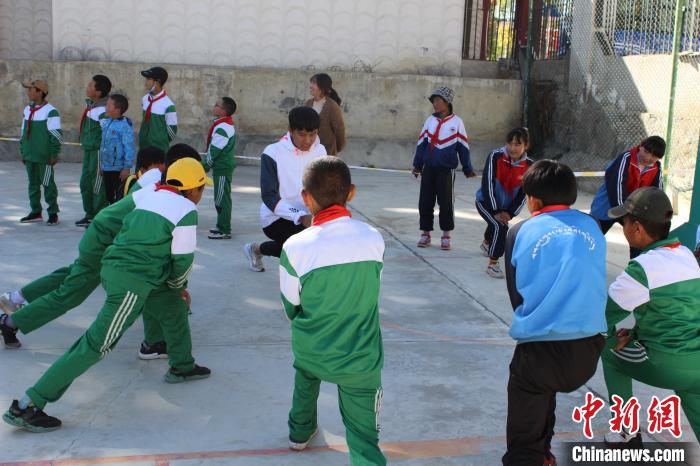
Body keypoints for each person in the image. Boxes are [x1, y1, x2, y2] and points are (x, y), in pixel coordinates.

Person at [2, 157, 211, 433]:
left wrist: (172, 288)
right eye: (201, 189)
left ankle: (182, 365)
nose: (201, 194)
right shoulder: (186, 210)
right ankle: (29, 405)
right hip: (131, 281)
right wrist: (179, 285)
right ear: (193, 189)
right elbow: (182, 261)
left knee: (171, 304)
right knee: (94, 345)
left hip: (119, 265)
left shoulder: (150, 193)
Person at [0, 147, 165, 349]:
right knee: (70, 294)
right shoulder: (157, 180)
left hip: (100, 238)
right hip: (105, 243)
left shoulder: (145, 178)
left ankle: (15, 297)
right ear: (159, 165)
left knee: (71, 275)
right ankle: (10, 323)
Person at [281, 156, 386, 465]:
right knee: (364, 436)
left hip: (313, 350)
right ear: (351, 193)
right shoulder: (373, 238)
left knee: (305, 374)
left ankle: (299, 433)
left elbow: (291, 305)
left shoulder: (295, 246)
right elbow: (371, 288)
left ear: (305, 198)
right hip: (359, 358)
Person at [502, 160, 607, 465]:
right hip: (588, 349)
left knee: (529, 393)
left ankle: (531, 454)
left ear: (532, 200)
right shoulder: (593, 225)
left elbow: (516, 293)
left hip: (541, 352)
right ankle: (544, 453)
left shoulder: (520, 230)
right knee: (542, 388)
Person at [601, 187, 700, 446]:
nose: (622, 226)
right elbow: (678, 312)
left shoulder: (641, 269)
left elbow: (603, 318)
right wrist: (634, 333)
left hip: (665, 363)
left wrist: (613, 338)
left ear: (637, 228)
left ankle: (626, 431)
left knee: (608, 352)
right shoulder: (687, 256)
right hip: (697, 362)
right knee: (692, 388)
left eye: (624, 221)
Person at [243, 107, 326, 272]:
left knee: (312, 247)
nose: (308, 140)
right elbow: (269, 196)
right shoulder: (273, 153)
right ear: (290, 130)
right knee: (301, 250)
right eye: (302, 134)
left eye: (313, 134)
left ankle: (256, 249)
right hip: (275, 218)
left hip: (310, 215)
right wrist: (301, 216)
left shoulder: (321, 150)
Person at [412, 86, 475, 251]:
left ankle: (446, 235)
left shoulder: (457, 123)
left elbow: (463, 147)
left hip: (446, 170)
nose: (435, 103)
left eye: (438, 100)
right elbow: (421, 144)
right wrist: (418, 165)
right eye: (434, 100)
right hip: (429, 169)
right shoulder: (429, 121)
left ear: (447, 102)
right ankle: (425, 233)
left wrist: (467, 168)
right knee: (425, 202)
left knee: (446, 203)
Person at [590, 136, 665, 258]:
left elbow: (657, 193)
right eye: (646, 152)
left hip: (632, 210)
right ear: (640, 146)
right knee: (591, 237)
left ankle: (636, 270)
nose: (648, 158)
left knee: (639, 242)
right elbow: (616, 186)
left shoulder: (656, 169)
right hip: (607, 206)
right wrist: (626, 210)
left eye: (654, 156)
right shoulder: (626, 158)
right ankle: (581, 263)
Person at [475, 127, 533, 279]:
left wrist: (510, 212)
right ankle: (493, 264)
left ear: (526, 146)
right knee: (500, 226)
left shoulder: (530, 166)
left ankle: (487, 242)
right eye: (510, 143)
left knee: (496, 224)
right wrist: (495, 210)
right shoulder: (495, 156)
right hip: (485, 202)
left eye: (517, 144)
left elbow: (523, 193)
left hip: (506, 208)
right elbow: (487, 184)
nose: (512, 148)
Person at [18, 79, 63, 226]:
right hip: (30, 155)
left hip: (44, 157)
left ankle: (53, 213)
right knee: (33, 184)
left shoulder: (51, 111)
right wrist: (23, 151)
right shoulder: (27, 109)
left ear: (40, 92)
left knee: (48, 185)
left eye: (31, 89)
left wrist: (53, 154)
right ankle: (36, 212)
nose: (28, 92)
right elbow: (23, 132)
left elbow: (55, 135)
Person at [76, 74, 111, 227]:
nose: (87, 87)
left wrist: (105, 157)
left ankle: (99, 216)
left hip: (98, 152)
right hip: (89, 150)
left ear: (98, 92)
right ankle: (89, 213)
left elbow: (107, 133)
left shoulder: (102, 109)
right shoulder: (91, 106)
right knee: (85, 183)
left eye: (91, 85)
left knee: (97, 185)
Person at [203, 97, 237, 240]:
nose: (214, 106)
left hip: (222, 168)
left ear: (223, 111)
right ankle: (220, 225)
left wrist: (203, 167)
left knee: (221, 198)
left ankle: (225, 229)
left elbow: (214, 151)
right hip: (221, 167)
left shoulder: (223, 128)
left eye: (217, 105)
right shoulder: (223, 124)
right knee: (220, 197)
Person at [100, 94, 135, 205]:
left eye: (109, 105)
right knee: (108, 195)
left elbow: (129, 147)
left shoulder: (124, 126)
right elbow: (103, 146)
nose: (106, 107)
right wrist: (102, 165)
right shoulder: (107, 122)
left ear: (117, 110)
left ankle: (117, 219)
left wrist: (126, 167)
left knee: (119, 196)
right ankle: (109, 217)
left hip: (118, 169)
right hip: (106, 167)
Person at [304, 73, 346, 155]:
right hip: (308, 151)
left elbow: (339, 130)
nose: (311, 86)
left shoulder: (332, 106)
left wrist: (337, 148)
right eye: (311, 83)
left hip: (327, 153)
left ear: (322, 87)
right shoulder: (308, 104)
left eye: (314, 83)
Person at [139, 66, 177, 152]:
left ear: (157, 82)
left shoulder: (168, 105)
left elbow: (172, 131)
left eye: (148, 79)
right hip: (143, 147)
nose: (146, 82)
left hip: (159, 150)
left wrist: (159, 140)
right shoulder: (145, 99)